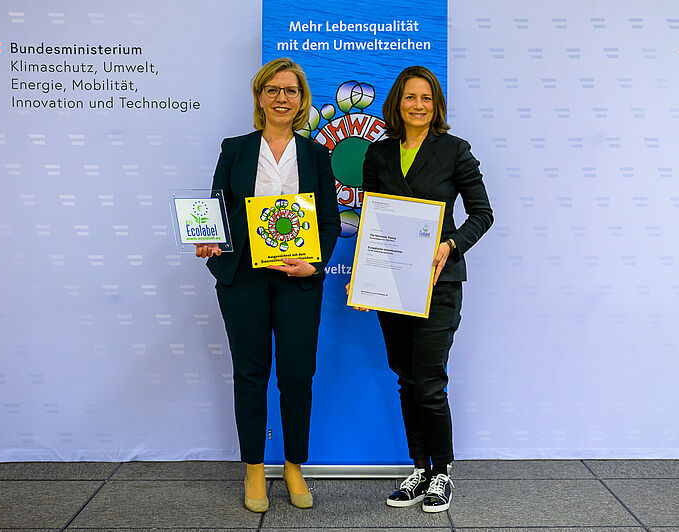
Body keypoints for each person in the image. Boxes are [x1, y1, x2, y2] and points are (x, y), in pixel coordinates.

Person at [196, 57, 340, 513]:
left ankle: (294, 463)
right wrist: (208, 240)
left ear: (302, 101)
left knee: (298, 375)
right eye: (273, 90)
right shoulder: (235, 149)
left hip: (298, 280)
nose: (282, 98)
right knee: (251, 374)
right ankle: (254, 467)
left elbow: (332, 223)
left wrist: (314, 266)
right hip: (244, 280)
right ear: (260, 97)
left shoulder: (316, 154)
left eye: (291, 91)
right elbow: (216, 207)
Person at [358, 66, 493, 512]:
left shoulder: (455, 151)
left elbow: (482, 214)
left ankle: (442, 474)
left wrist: (451, 244)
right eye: (410, 97)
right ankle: (418, 468)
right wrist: (366, 279)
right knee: (406, 378)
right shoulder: (377, 155)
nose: (418, 105)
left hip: (439, 283)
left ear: (437, 106)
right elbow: (371, 220)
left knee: (430, 383)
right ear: (397, 102)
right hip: (392, 283)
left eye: (427, 98)